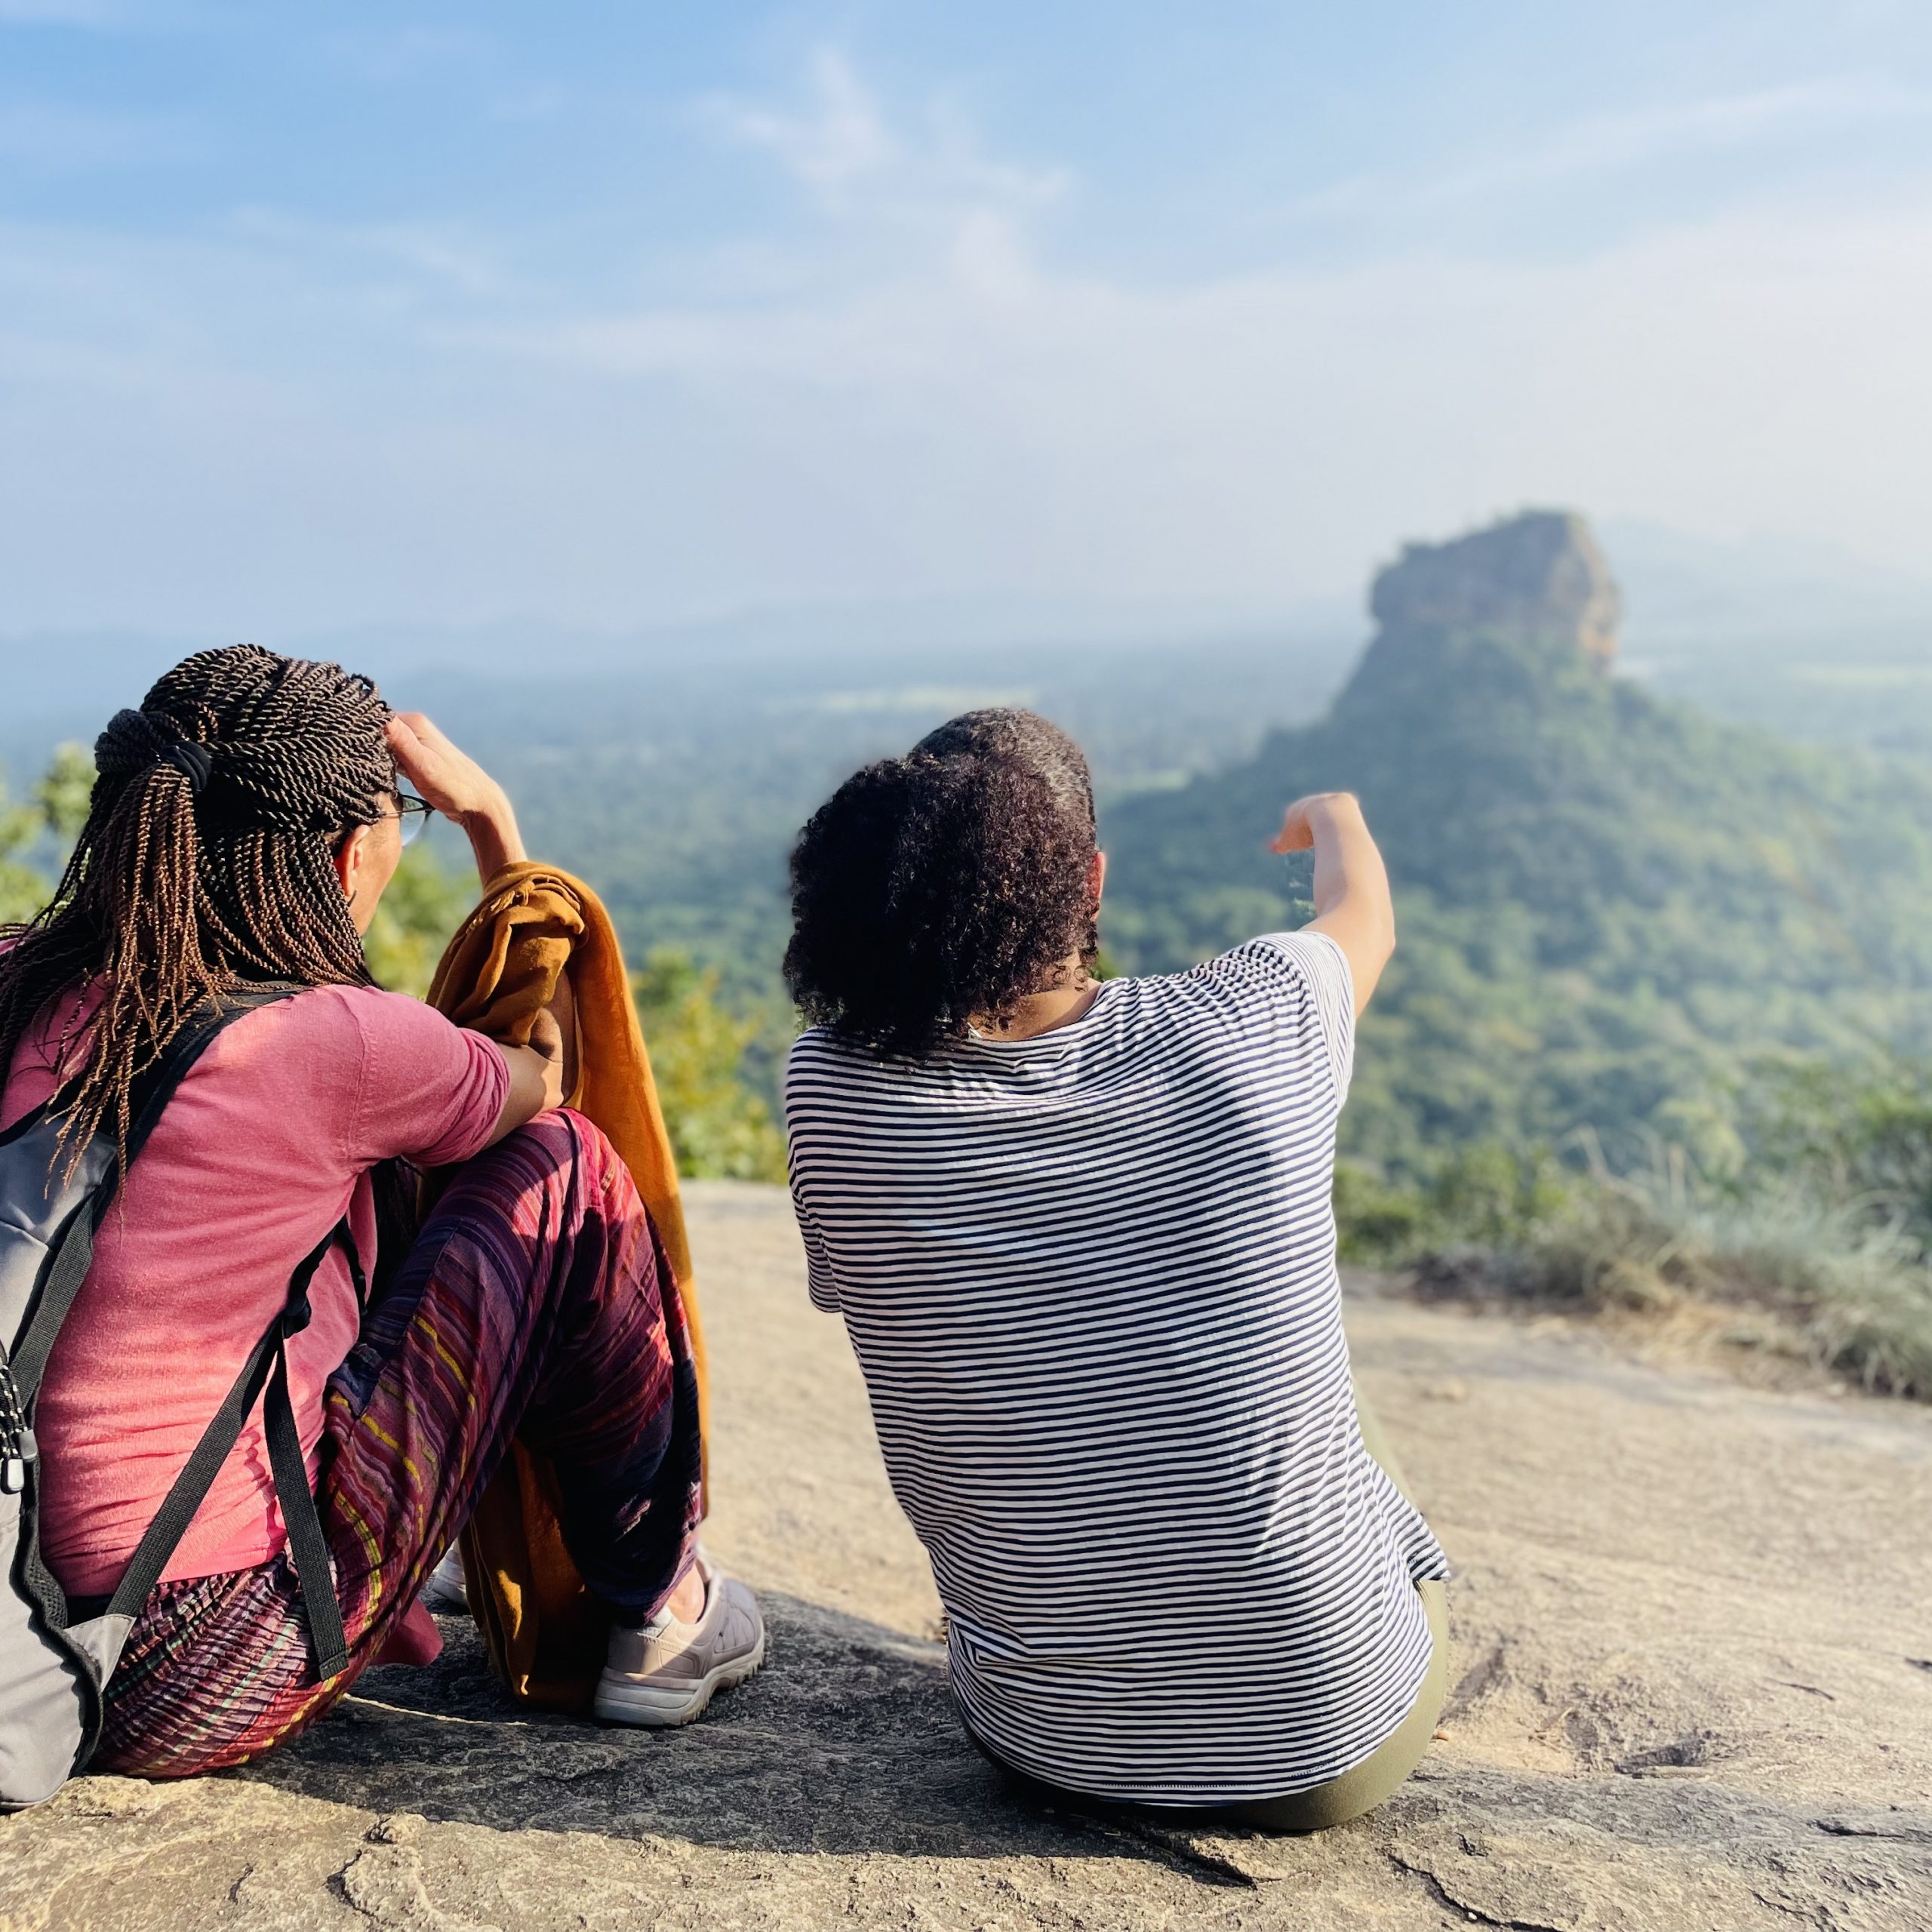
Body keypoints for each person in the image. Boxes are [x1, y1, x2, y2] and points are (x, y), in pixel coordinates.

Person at [0, 645, 763, 1777]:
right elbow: (539, 1069)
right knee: (562, 1167)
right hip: (196, 1665)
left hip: (18, 1631)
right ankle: (661, 1606)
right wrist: (496, 830)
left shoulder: (16, 976)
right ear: (351, 851)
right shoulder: (331, 1041)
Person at [780, 708, 1448, 1832]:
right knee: (1321, 1388)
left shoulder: (832, 1093)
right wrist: (1335, 816)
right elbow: (1361, 920)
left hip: (1049, 1746)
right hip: (1334, 1740)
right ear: (1089, 882)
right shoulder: (1253, 1016)